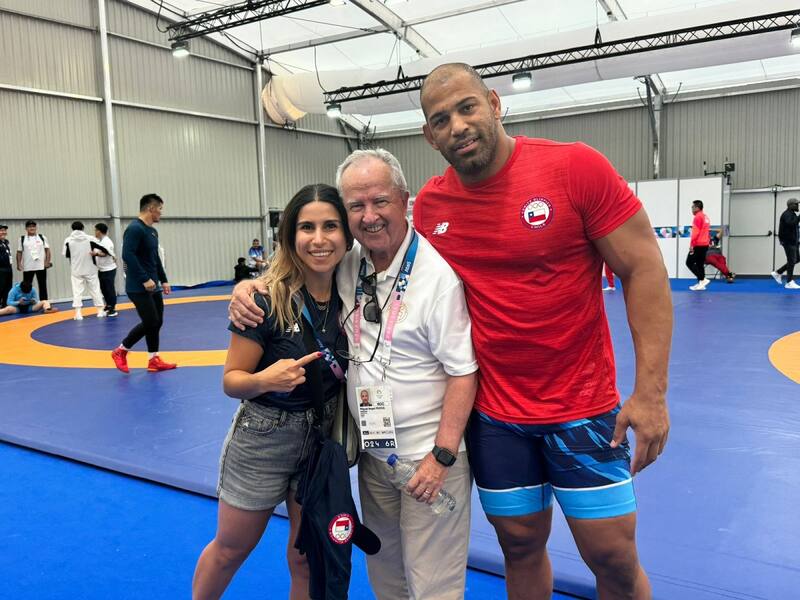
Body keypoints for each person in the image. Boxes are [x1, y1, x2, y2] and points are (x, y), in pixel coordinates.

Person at [413, 63, 671, 600]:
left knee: (613, 559)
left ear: (494, 104)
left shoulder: (574, 168)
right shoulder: (431, 209)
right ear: (429, 136)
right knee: (520, 548)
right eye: (441, 119)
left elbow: (642, 268)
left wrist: (651, 394)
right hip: (496, 419)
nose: (457, 126)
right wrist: (267, 283)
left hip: (583, 411)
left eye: (467, 107)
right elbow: (369, 264)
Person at [230, 150, 479, 600]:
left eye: (380, 201)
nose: (369, 216)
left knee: (433, 584)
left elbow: (463, 372)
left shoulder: (436, 279)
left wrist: (441, 457)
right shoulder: (351, 260)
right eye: (356, 206)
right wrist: (248, 287)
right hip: (374, 455)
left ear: (404, 200)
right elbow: (294, 271)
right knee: (385, 571)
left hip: (428, 457)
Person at [192, 184, 352, 600]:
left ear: (346, 233)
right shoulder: (263, 300)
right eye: (307, 227)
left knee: (306, 558)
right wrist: (265, 379)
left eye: (330, 226)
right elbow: (231, 380)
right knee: (231, 549)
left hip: (320, 440)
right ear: (290, 235)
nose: (319, 239)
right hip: (264, 438)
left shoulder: (354, 292)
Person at [110, 194, 177, 374]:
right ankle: (121, 350)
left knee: (157, 322)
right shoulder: (135, 229)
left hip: (153, 285)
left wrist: (164, 279)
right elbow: (127, 255)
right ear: (150, 208)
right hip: (138, 286)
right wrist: (144, 279)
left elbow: (155, 258)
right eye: (160, 209)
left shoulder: (152, 231)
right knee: (151, 321)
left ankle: (153, 359)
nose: (161, 213)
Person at [63, 221, 106, 321]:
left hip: (76, 269)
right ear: (83, 228)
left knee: (77, 291)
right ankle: (100, 311)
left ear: (72, 229)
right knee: (95, 289)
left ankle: (78, 313)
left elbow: (67, 255)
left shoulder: (68, 240)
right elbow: (100, 250)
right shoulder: (90, 238)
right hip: (90, 268)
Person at [16, 220, 52, 303]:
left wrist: (47, 261)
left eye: (33, 226)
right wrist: (19, 264)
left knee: (42, 285)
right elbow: (19, 252)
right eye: (29, 227)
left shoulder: (42, 237)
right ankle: (26, 303)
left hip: (41, 266)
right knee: (26, 286)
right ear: (26, 228)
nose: (32, 228)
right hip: (28, 266)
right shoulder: (22, 239)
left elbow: (47, 250)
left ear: (36, 228)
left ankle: (44, 303)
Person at [771, 197, 799, 290]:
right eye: (796, 204)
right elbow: (791, 224)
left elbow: (794, 227)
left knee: (796, 259)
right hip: (788, 241)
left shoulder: (792, 214)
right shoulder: (787, 214)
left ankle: (778, 272)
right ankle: (789, 282)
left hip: (794, 241)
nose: (798, 206)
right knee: (791, 261)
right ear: (791, 205)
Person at [93, 223, 119, 317]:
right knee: (103, 288)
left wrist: (95, 254)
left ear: (99, 231)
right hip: (101, 269)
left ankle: (113, 308)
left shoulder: (107, 242)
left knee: (109, 288)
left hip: (109, 269)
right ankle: (108, 305)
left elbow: (106, 253)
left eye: (95, 230)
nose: (95, 232)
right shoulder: (99, 241)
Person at [686, 200, 711, 291]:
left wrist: (692, 245)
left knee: (689, 262)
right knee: (700, 264)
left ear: (697, 208)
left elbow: (695, 233)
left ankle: (702, 279)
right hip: (705, 244)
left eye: (693, 207)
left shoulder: (697, 217)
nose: (692, 209)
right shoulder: (705, 216)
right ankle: (701, 283)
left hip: (698, 245)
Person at [0, 224, 12, 308]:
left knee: (7, 287)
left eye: (4, 230)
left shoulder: (6, 242)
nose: (3, 232)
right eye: (1, 230)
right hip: (1, 269)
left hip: (8, 268)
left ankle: (5, 304)